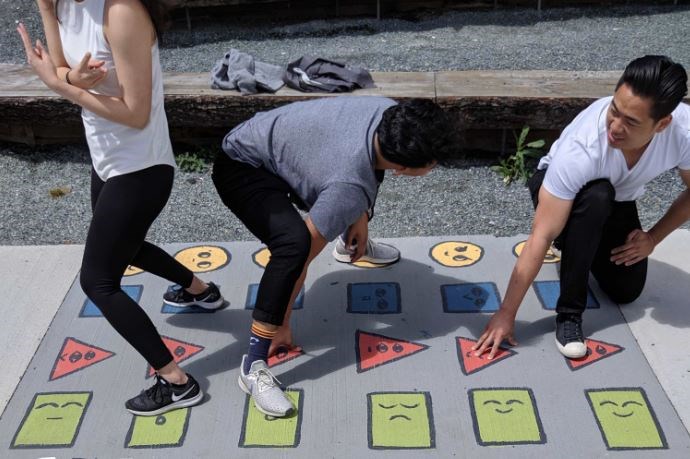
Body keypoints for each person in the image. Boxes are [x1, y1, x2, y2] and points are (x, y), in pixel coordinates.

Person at [18, 0, 224, 416]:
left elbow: (135, 113)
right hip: (108, 160)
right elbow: (60, 66)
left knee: (97, 280)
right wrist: (66, 66)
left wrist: (62, 86)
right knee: (124, 246)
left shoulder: (122, 12)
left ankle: (178, 382)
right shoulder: (62, 4)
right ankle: (201, 292)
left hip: (141, 168)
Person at [212, 96, 459, 416]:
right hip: (241, 165)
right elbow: (299, 259)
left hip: (280, 146)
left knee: (344, 203)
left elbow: (366, 169)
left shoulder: (389, 113)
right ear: (402, 169)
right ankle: (253, 363)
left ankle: (349, 241)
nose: (433, 167)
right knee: (293, 245)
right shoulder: (350, 186)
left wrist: (359, 217)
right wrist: (281, 324)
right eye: (432, 164)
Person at [474, 55, 690, 360]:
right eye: (614, 111)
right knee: (596, 197)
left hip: (619, 199)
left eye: (631, 122)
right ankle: (569, 315)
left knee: (626, 291)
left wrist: (653, 238)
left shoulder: (683, 132)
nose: (615, 127)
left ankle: (581, 242)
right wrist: (505, 314)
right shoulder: (583, 147)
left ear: (662, 124)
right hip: (563, 192)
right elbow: (540, 235)